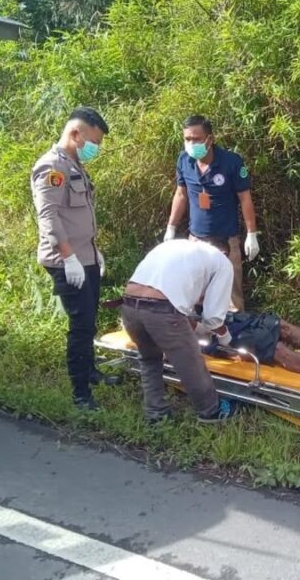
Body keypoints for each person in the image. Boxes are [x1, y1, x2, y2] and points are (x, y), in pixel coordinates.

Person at [31, 106, 118, 411]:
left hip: (86, 256)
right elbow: (49, 217)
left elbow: (80, 216)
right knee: (80, 325)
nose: (96, 148)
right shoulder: (51, 167)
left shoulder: (75, 164)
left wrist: (94, 252)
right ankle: (81, 393)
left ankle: (90, 372)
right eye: (94, 141)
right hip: (66, 260)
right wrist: (69, 258)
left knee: (89, 318)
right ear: (76, 133)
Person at [121, 238, 236, 423]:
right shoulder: (222, 261)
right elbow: (214, 318)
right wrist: (225, 338)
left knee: (150, 359)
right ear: (224, 252)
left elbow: (176, 302)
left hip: (128, 305)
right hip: (161, 310)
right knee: (190, 362)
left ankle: (156, 414)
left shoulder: (174, 246)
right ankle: (211, 411)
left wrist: (198, 328)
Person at [164, 115, 259, 311]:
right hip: (196, 240)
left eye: (196, 139)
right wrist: (171, 228)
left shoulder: (231, 162)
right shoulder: (184, 161)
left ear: (210, 139)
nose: (191, 143)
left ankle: (234, 337)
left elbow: (245, 198)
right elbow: (181, 195)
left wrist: (252, 234)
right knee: (195, 296)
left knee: (231, 296)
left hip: (226, 241)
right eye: (187, 139)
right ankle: (201, 339)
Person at [206, 311, 300, 381]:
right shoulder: (184, 296)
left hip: (231, 321)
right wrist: (223, 339)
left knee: (281, 326)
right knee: (272, 345)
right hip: (214, 336)